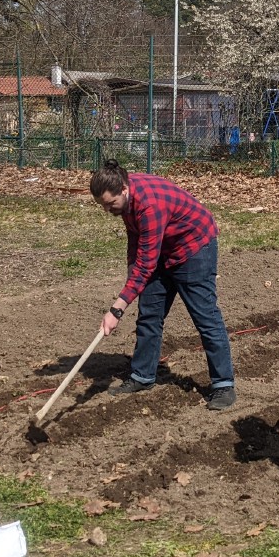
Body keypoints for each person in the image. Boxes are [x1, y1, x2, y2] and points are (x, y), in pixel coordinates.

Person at [92, 162, 236, 410]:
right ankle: (142, 376)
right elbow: (135, 236)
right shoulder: (125, 199)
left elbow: (146, 263)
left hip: (194, 248)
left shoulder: (150, 205)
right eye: (102, 205)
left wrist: (117, 309)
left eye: (109, 204)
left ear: (124, 189)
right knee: (150, 313)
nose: (107, 210)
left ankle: (224, 385)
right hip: (162, 248)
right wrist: (130, 268)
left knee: (205, 316)